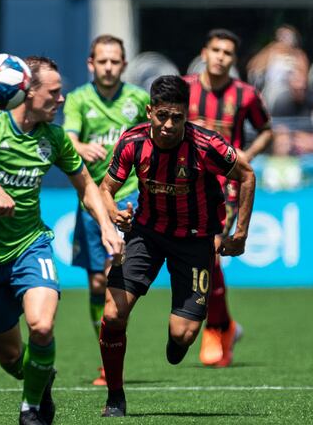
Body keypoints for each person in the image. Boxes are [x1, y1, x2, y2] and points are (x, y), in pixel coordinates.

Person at [0, 56, 124, 425]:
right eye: (54, 92)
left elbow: (86, 186)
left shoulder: (53, 137)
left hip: (31, 246)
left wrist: (105, 225)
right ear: (26, 91)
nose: (62, 99)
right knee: (11, 360)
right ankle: (40, 379)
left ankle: (30, 409)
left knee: (42, 326)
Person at [98, 75, 256, 417]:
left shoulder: (205, 145)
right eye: (162, 116)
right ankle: (114, 396)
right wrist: (113, 214)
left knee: (183, 336)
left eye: (178, 118)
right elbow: (105, 188)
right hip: (146, 234)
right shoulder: (132, 142)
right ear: (149, 111)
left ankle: (177, 339)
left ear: (187, 115)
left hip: (196, 239)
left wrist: (240, 231)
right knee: (112, 314)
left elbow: (246, 174)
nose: (170, 125)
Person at [62, 34, 150, 386]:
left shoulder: (138, 99)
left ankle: (113, 351)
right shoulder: (78, 99)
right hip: (93, 200)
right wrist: (82, 145)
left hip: (131, 197)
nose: (109, 67)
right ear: (91, 64)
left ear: (124, 65)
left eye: (115, 61)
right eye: (103, 61)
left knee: (119, 278)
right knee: (97, 281)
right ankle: (105, 349)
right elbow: (66, 138)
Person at [183, 28, 272, 368]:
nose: (221, 57)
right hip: (185, 183)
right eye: (216, 50)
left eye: (228, 53)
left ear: (234, 60)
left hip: (226, 187)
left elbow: (267, 130)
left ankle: (218, 328)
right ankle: (225, 323)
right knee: (197, 256)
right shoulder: (185, 88)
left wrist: (244, 156)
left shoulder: (246, 95)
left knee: (211, 253)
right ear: (204, 53)